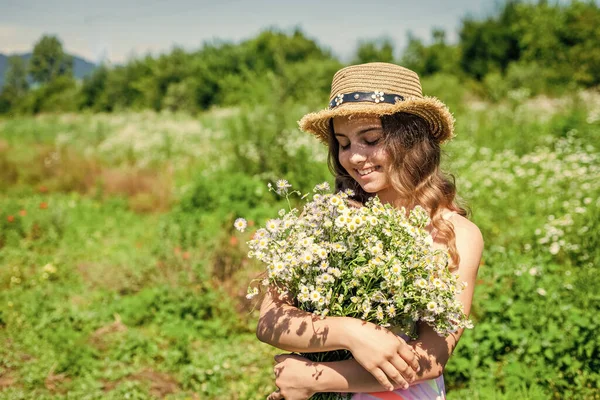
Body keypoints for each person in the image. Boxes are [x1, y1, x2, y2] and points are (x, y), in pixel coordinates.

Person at [257, 62, 484, 400]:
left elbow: (433, 357)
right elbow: (270, 320)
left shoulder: (454, 234)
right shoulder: (327, 219)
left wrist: (316, 378)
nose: (355, 158)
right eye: (344, 143)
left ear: (412, 138)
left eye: (371, 139)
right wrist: (351, 332)